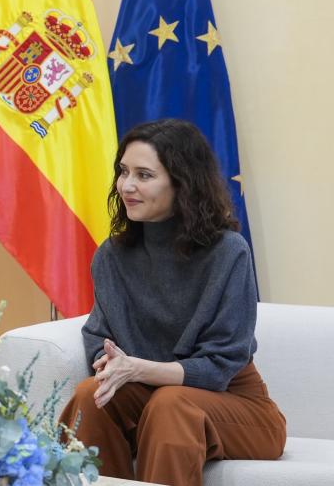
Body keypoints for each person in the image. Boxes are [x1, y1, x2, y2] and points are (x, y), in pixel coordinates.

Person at [59, 119, 286, 486]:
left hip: (236, 404)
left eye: (144, 175)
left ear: (183, 184)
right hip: (154, 398)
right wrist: (111, 363)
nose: (127, 186)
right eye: (124, 172)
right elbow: (97, 336)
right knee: (90, 395)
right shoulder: (111, 256)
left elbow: (219, 366)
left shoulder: (228, 253)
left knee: (171, 404)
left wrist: (136, 369)